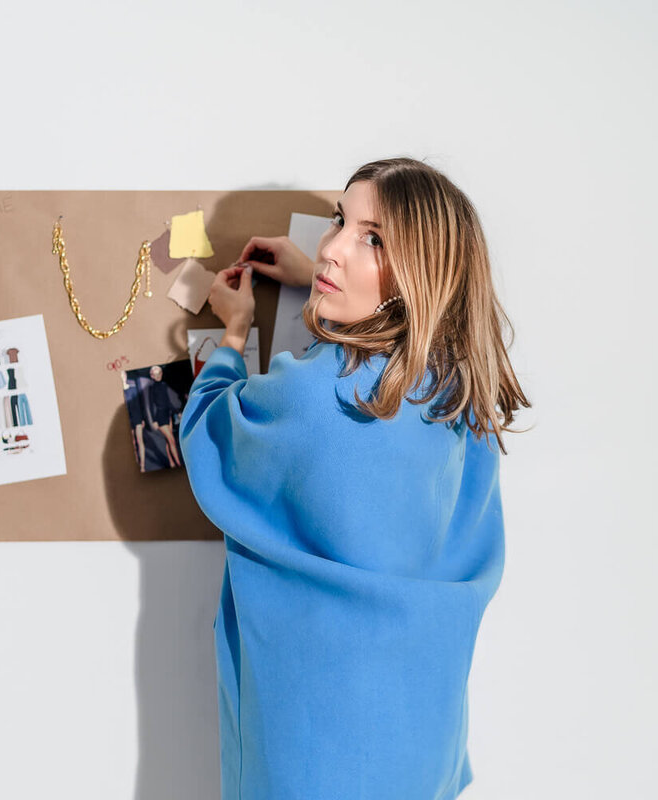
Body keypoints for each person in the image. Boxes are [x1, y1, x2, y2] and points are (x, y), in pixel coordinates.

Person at [178, 157, 530, 800]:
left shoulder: (317, 396)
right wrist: (322, 280)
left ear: (419, 274)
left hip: (316, 756)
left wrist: (231, 336)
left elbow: (209, 437)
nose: (332, 246)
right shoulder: (461, 397)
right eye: (340, 220)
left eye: (374, 239)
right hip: (417, 745)